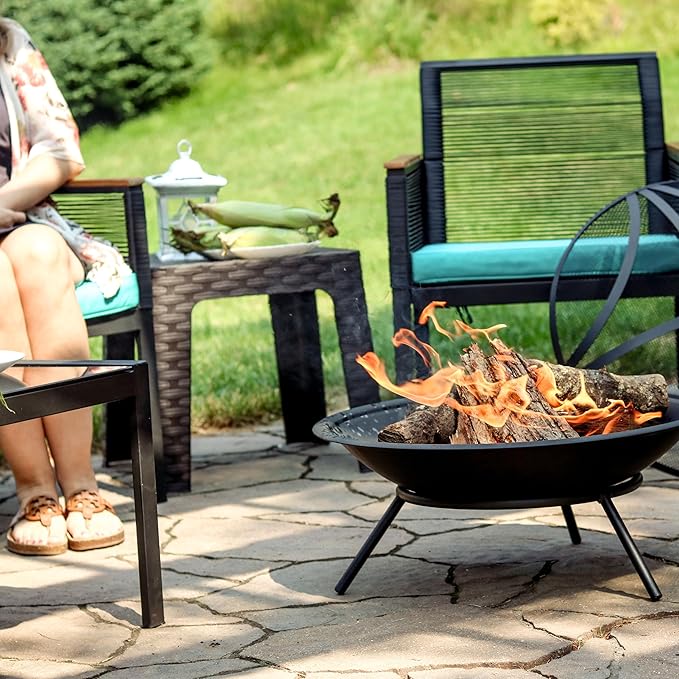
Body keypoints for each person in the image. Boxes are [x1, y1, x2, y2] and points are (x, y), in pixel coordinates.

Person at [0, 17, 124, 555]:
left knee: (41, 253)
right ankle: (33, 490)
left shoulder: (7, 41)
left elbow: (59, 149)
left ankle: (80, 486)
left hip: (20, 220)